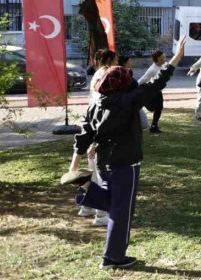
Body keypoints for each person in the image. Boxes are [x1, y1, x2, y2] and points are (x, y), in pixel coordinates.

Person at [62, 36, 187, 270]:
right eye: (128, 77)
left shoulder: (96, 102)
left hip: (103, 161)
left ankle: (87, 187)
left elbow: (83, 134)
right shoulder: (128, 100)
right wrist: (176, 59)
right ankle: (113, 258)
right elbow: (157, 83)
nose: (131, 79)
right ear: (122, 82)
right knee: (122, 211)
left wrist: (73, 166)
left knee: (114, 203)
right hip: (125, 164)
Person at [78, 49, 117, 227]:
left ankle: (87, 207)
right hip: (101, 126)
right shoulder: (107, 75)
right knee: (102, 172)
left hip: (93, 124)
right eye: (115, 59)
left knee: (94, 170)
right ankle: (101, 215)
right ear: (109, 60)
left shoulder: (97, 74)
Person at [138, 50, 167, 133]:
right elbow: (143, 79)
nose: (165, 58)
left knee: (159, 108)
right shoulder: (152, 70)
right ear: (158, 58)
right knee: (150, 107)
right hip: (148, 91)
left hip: (157, 90)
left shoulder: (163, 65)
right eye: (163, 57)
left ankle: (154, 126)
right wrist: (133, 87)